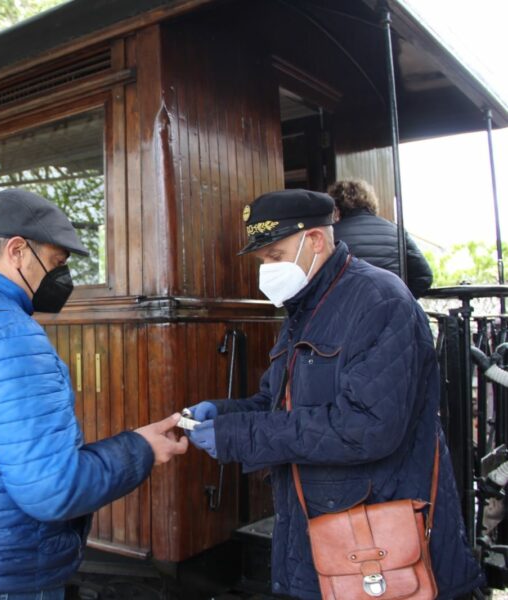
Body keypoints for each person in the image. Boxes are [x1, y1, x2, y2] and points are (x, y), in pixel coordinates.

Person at [186, 189, 483, 598]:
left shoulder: (380, 299)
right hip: (320, 528)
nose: (266, 270)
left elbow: (365, 427)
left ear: (316, 241)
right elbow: (278, 402)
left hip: (374, 535)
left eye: (275, 256)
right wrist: (222, 414)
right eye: (262, 260)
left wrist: (239, 435)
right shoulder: (306, 306)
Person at [0, 188, 188, 599]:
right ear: (17, 251)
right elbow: (50, 490)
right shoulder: (11, 336)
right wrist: (140, 449)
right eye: (55, 263)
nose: (61, 278)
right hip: (5, 570)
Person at [328, 178, 433, 298]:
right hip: (390, 311)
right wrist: (400, 299)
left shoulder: (330, 234)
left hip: (345, 312)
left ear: (335, 207)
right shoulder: (396, 231)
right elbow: (424, 277)